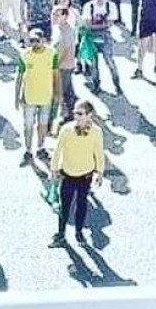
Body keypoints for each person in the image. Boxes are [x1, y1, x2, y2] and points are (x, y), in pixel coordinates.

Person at [50, 99, 105, 247]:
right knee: (64, 206)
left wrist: (100, 172)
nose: (76, 116)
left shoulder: (96, 132)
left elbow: (99, 153)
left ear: (89, 115)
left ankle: (79, 233)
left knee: (82, 205)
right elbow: (57, 150)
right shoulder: (66, 129)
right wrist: (54, 169)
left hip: (85, 176)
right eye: (75, 113)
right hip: (68, 174)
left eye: (80, 113)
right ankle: (60, 235)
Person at [16, 28, 61, 164]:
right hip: (29, 97)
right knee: (28, 125)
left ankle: (41, 148)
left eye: (37, 40)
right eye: (31, 41)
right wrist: (17, 96)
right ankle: (28, 150)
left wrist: (58, 93)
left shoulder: (52, 54)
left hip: (46, 96)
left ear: (43, 40)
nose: (34, 43)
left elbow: (56, 74)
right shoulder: (25, 55)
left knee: (43, 124)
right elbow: (19, 76)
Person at [81, 0, 123, 96]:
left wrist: (95, 25)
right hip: (91, 36)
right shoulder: (88, 6)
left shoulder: (111, 5)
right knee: (93, 63)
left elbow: (110, 23)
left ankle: (117, 85)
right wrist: (101, 25)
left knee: (109, 61)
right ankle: (96, 85)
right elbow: (87, 24)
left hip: (105, 36)